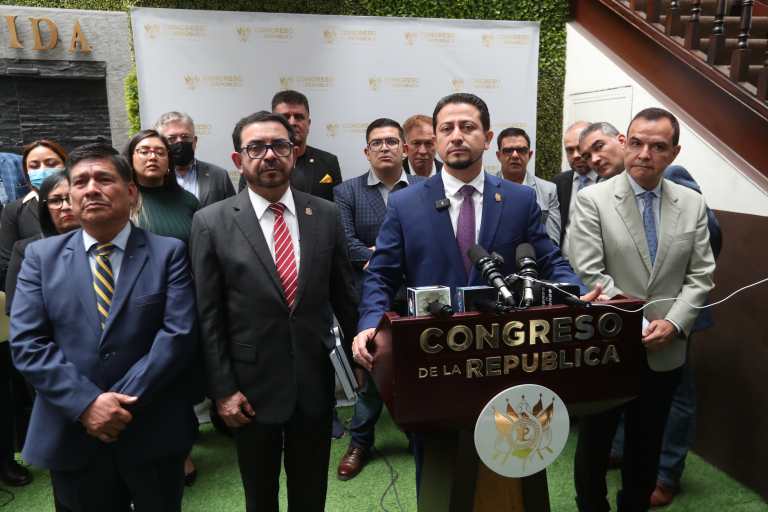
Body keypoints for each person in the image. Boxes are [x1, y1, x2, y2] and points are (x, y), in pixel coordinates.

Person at [351, 93, 598, 489]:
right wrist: (368, 323)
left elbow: (549, 260)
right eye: (446, 128)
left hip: (506, 355)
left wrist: (576, 292)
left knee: (514, 459)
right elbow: (381, 275)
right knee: (439, 473)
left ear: (487, 137)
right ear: (435, 138)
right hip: (433, 357)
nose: (457, 136)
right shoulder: (405, 203)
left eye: (467, 127)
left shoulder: (519, 199)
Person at [10, 143, 199, 511]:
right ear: (70, 196)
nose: (91, 189)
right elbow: (28, 343)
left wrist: (115, 406)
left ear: (131, 193)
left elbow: (177, 334)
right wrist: (87, 404)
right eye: (80, 182)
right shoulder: (40, 258)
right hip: (72, 431)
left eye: (103, 179)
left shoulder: (168, 252)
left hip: (151, 426)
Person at [190, 111, 358, 512]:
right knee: (259, 494)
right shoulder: (210, 222)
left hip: (313, 381)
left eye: (279, 145)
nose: (269, 155)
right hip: (249, 388)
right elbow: (208, 316)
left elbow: (344, 296)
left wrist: (358, 360)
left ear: (294, 154)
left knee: (310, 490)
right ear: (238, 160)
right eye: (256, 147)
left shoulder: (326, 214)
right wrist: (222, 391)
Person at [567, 108, 716, 512]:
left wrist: (674, 323)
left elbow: (701, 274)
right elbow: (590, 271)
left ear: (674, 153)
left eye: (658, 146)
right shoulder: (593, 200)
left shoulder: (691, 203)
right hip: (608, 345)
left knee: (646, 444)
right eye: (636, 143)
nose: (645, 154)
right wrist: (642, 322)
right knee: (595, 443)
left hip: (665, 348)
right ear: (624, 143)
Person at [608, 164, 723, 508]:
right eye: (583, 154)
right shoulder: (613, 188)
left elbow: (711, 234)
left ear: (622, 141)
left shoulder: (671, 175)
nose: (592, 158)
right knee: (631, 384)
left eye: (598, 148)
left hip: (676, 314)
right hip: (632, 313)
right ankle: (622, 450)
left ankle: (666, 475)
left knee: (677, 394)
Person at [333, 118, 424, 481]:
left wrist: (392, 256)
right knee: (372, 374)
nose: (384, 147)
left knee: (421, 372)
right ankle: (360, 442)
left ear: (405, 149)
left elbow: (433, 238)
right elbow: (345, 241)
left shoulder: (426, 188)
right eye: (377, 143)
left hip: (418, 297)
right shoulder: (347, 192)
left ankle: (420, 434)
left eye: (391, 141)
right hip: (372, 297)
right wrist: (385, 258)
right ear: (366, 151)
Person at [124, 129, 200, 485]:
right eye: (143, 151)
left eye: (159, 151)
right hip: (137, 305)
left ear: (170, 161)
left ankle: (182, 451)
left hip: (183, 301)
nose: (152, 156)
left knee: (179, 378)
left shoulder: (187, 202)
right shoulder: (124, 200)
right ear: (130, 158)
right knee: (146, 376)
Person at [237, 90, 342, 202]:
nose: (292, 122)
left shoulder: (328, 162)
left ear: (308, 123)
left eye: (299, 117)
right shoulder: (255, 164)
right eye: (285, 117)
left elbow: (337, 207)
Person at [6, 172, 81, 313]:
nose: (65, 206)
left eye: (71, 198)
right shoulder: (26, 250)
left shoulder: (102, 242)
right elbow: (18, 310)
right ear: (44, 207)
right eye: (55, 200)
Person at [0, 140, 68, 290]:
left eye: (51, 164)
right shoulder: (15, 211)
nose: (43, 171)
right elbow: (7, 265)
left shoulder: (81, 202)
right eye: (34, 166)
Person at [154, 111, 236, 208]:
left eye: (185, 137)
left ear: (194, 141)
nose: (180, 142)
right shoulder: (153, 176)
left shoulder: (219, 175)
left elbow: (233, 212)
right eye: (172, 139)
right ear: (161, 143)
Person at [495, 127, 561, 244]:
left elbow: (552, 240)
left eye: (521, 150)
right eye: (508, 150)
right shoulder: (486, 187)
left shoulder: (548, 190)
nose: (515, 155)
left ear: (529, 155)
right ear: (498, 155)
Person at [553, 121, 598, 246]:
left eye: (580, 148)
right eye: (570, 150)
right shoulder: (558, 183)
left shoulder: (609, 181)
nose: (576, 155)